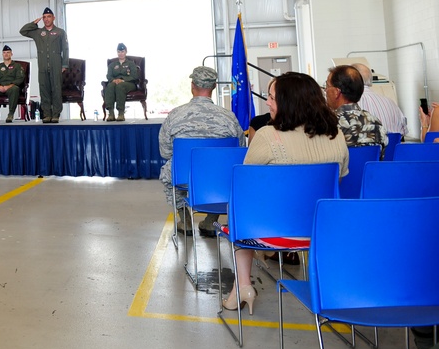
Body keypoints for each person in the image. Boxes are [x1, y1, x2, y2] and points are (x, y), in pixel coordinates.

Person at [222, 72, 348, 315]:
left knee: (238, 206)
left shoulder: (269, 135)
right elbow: (341, 177)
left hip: (272, 231)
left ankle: (243, 285)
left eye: (271, 98)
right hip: (322, 229)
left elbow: (244, 184)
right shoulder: (336, 134)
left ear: (288, 103)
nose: (267, 103)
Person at [158, 66, 244, 237]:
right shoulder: (229, 118)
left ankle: (186, 219)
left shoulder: (175, 115)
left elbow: (165, 152)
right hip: (218, 176)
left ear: (192, 86)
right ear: (214, 86)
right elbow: (239, 150)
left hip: (185, 173)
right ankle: (211, 221)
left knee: (169, 172)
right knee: (225, 173)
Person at [19, 7, 68, 123]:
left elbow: (65, 49)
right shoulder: (38, 32)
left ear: (53, 18)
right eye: (44, 17)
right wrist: (33, 23)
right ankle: (46, 114)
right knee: (44, 89)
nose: (46, 19)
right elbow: (23, 31)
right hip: (42, 64)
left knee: (56, 89)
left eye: (49, 16)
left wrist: (64, 64)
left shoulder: (60, 32)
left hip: (56, 62)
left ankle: (56, 114)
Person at [325, 64, 386, 155]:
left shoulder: (330, 124)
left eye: (327, 86)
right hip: (370, 169)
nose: (325, 90)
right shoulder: (375, 122)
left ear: (336, 92)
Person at [353, 62, 407, 137]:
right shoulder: (391, 103)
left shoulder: (352, 104)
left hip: (366, 147)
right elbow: (403, 131)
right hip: (392, 148)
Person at [0, 45, 26, 123]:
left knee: (15, 89)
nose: (6, 54)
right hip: (0, 88)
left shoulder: (17, 66)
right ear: (2, 54)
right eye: (4, 53)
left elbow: (20, 78)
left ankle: (10, 114)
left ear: (11, 54)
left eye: (8, 52)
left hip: (11, 87)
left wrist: (8, 86)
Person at [102, 43, 140, 121]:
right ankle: (111, 113)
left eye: (122, 51)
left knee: (120, 86)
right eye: (119, 52)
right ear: (117, 52)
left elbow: (134, 76)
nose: (121, 53)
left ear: (126, 52)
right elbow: (109, 76)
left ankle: (121, 113)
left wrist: (122, 80)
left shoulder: (131, 64)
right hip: (115, 82)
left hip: (129, 83)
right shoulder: (112, 65)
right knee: (109, 86)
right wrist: (113, 80)